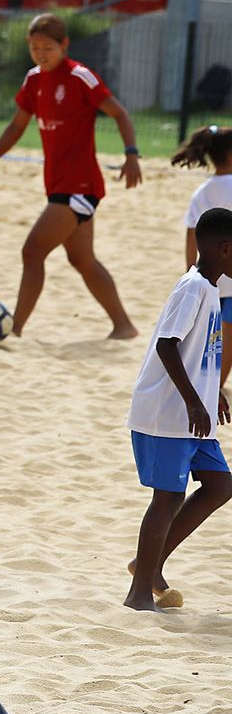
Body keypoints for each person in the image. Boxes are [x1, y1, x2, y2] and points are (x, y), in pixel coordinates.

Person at [0, 13, 142, 339]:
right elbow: (17, 126)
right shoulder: (33, 80)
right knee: (83, 260)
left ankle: (14, 328)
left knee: (32, 251)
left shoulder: (81, 77)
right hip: (58, 184)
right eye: (34, 47)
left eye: (47, 47)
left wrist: (131, 155)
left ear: (64, 45)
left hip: (80, 185)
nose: (40, 53)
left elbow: (119, 113)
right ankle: (124, 326)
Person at [124, 206, 232, 612]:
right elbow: (167, 345)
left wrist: (212, 391)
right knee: (167, 498)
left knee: (221, 485)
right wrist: (191, 398)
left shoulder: (211, 289)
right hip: (169, 414)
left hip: (194, 415)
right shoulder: (191, 288)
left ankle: (148, 565)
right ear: (224, 248)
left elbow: (198, 353)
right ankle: (138, 594)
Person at [174, 125, 232, 391]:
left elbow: (191, 235)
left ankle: (211, 383)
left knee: (214, 336)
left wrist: (192, 272)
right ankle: (216, 386)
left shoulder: (202, 192)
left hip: (211, 278)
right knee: (228, 334)